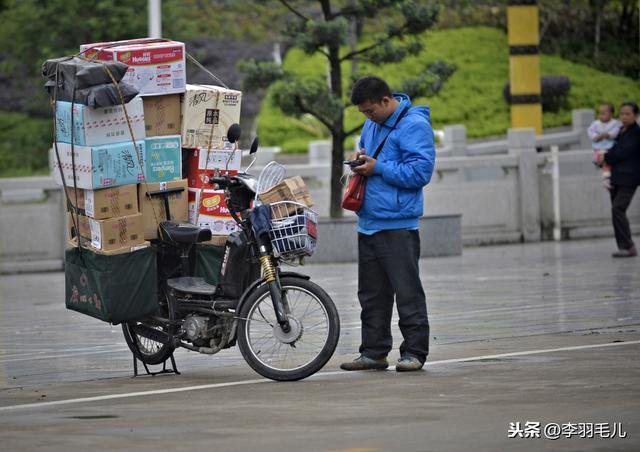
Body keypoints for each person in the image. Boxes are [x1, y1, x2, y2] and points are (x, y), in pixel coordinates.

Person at [340, 76, 434, 372]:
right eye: (363, 114)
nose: (368, 117)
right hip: (369, 221)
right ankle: (373, 352)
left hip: (398, 224)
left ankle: (414, 353)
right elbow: (368, 150)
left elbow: (420, 172)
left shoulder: (414, 125)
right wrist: (361, 159)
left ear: (385, 100)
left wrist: (378, 167)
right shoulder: (373, 123)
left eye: (370, 111)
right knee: (371, 295)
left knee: (407, 291)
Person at [598, 101, 640, 258]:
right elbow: (616, 149)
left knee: (618, 209)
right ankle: (624, 246)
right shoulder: (622, 131)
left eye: (627, 114)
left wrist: (606, 157)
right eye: (621, 114)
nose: (623, 117)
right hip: (617, 177)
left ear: (635, 115)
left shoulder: (636, 133)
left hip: (629, 178)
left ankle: (628, 246)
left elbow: (624, 152)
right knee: (616, 211)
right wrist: (602, 158)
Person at [588, 103, 622, 190]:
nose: (601, 115)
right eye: (600, 113)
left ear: (611, 114)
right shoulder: (595, 123)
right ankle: (607, 178)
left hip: (609, 148)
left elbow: (615, 133)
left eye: (603, 113)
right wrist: (596, 137)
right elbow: (590, 132)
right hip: (598, 148)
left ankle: (607, 179)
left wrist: (608, 135)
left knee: (607, 164)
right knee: (601, 161)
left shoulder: (615, 123)